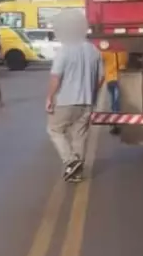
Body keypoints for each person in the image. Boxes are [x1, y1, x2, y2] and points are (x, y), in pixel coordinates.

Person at [45, 10, 104, 183]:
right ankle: (76, 173)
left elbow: (56, 77)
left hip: (65, 100)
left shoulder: (64, 50)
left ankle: (70, 160)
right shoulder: (94, 50)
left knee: (55, 130)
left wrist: (49, 97)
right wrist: (91, 94)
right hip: (86, 101)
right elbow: (101, 78)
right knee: (79, 135)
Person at [102, 50, 128, 135]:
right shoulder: (123, 52)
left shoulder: (106, 52)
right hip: (121, 78)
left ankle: (115, 121)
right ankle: (117, 121)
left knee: (114, 100)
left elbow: (100, 59)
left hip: (111, 79)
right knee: (117, 100)